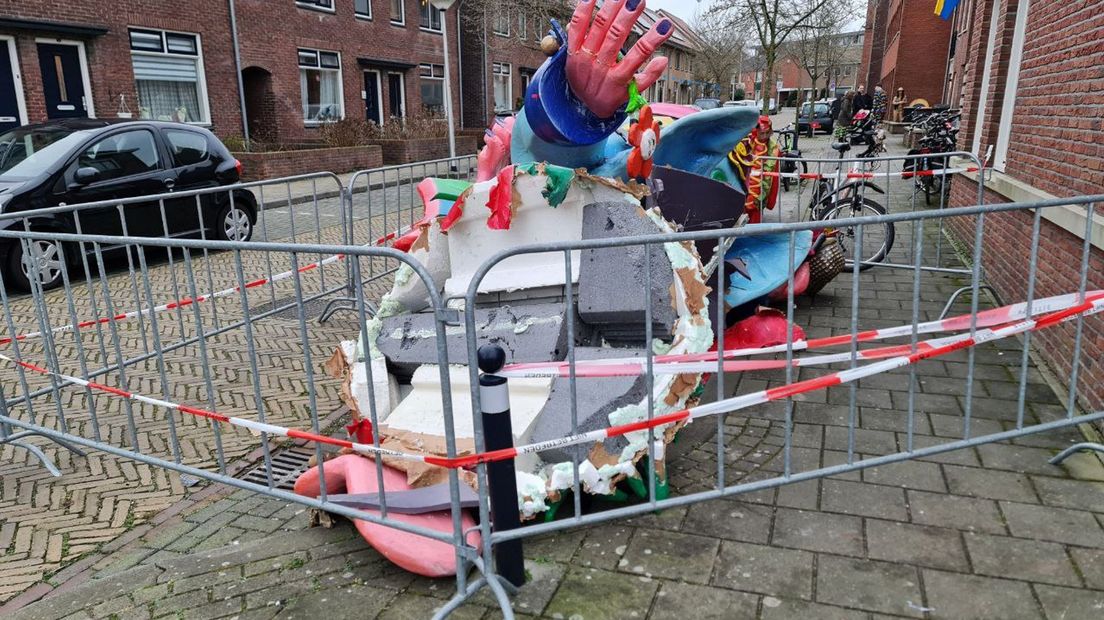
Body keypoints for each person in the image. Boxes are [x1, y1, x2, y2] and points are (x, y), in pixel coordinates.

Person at [728, 115, 781, 224]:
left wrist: (771, 200)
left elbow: (774, 177)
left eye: (767, 133)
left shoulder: (774, 149)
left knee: (754, 223)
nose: (765, 136)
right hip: (743, 190)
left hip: (759, 193)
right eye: (762, 133)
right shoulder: (745, 142)